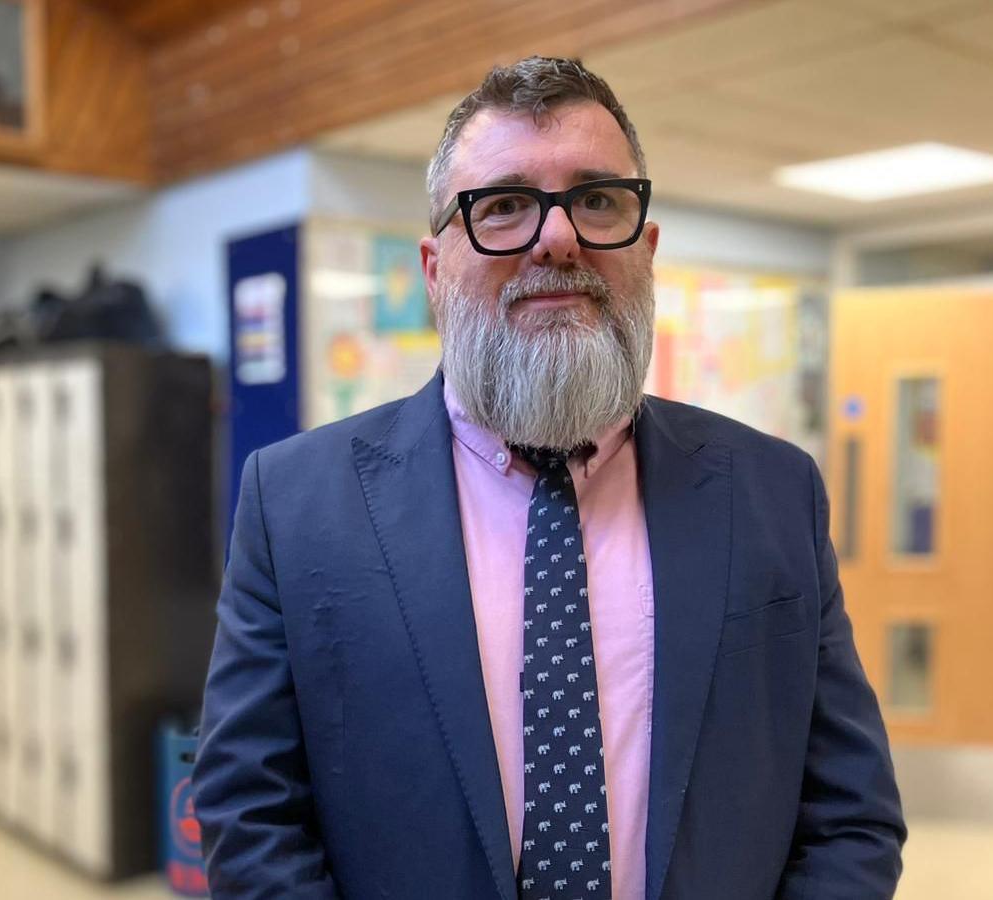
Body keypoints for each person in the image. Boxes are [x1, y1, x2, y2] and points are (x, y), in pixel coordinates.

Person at [193, 56, 905, 900]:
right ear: (433, 271)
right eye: (503, 206)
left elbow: (851, 815)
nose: (557, 238)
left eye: (598, 199)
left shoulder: (773, 491)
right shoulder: (297, 502)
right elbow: (250, 812)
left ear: (646, 249)